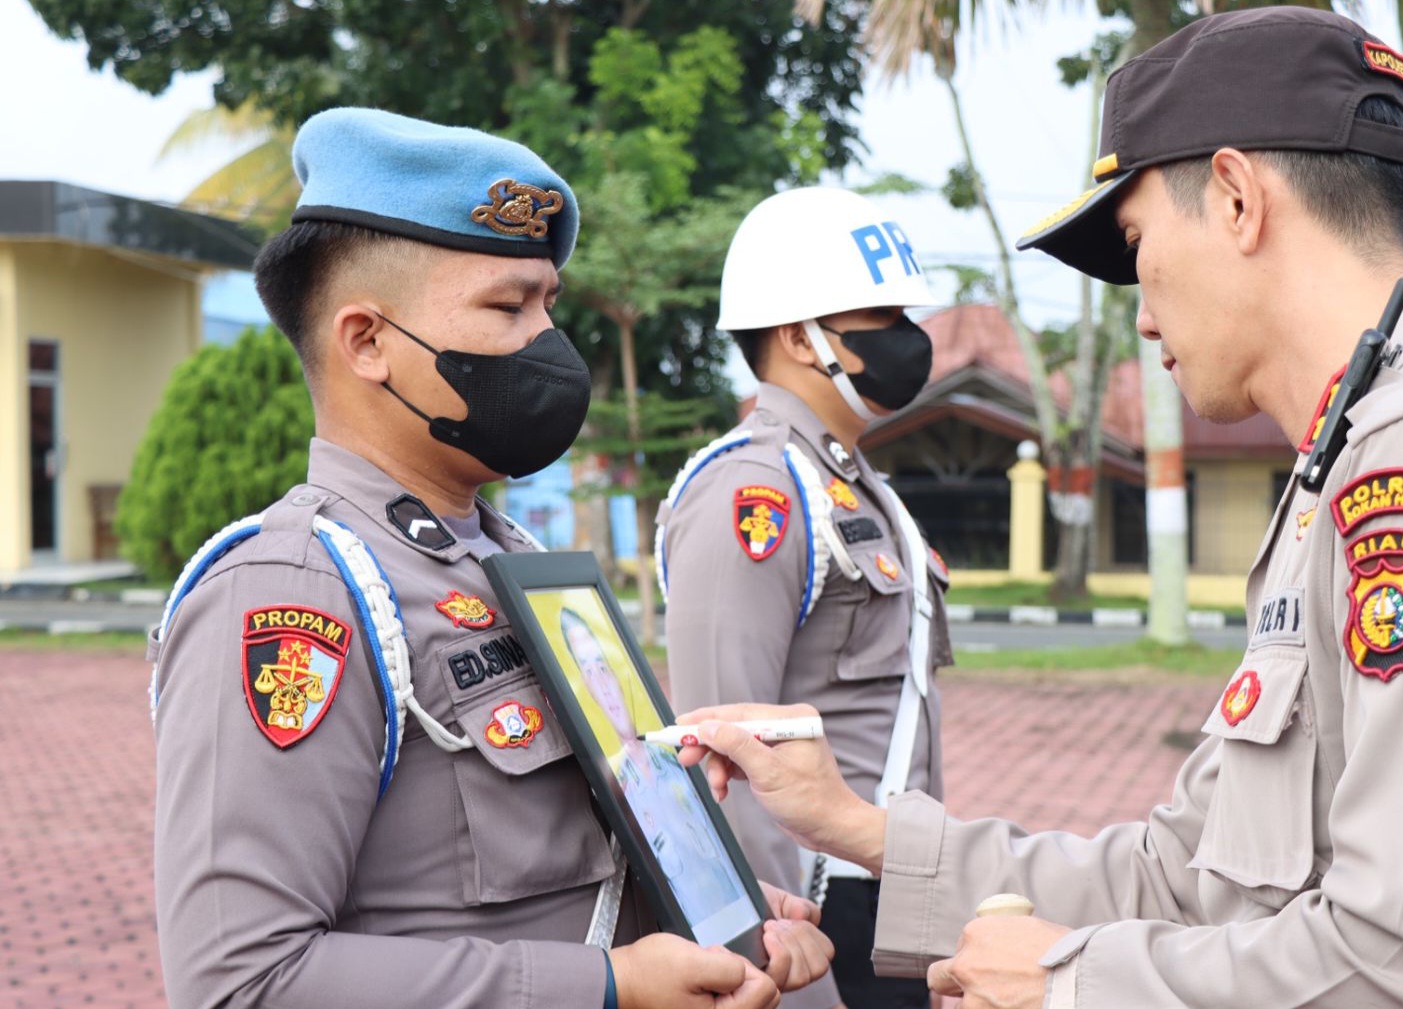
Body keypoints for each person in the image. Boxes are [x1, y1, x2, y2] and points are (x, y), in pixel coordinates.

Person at [673, 7, 1403, 1009]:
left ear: (1238, 199)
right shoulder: (1344, 466)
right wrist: (854, 824)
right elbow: (1187, 872)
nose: (1143, 307)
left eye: (1136, 241)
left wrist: (1070, 982)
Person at [149, 107, 833, 1009]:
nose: (548, 344)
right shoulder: (296, 590)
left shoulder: (516, 560)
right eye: (506, 308)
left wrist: (728, 918)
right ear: (367, 342)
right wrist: (606, 985)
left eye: (548, 304)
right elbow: (241, 979)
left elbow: (568, 872)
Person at [656, 186, 956, 1009]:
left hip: (894, 888)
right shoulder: (752, 493)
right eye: (879, 319)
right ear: (798, 337)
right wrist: (781, 959)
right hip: (817, 910)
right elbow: (723, 759)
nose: (907, 340)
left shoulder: (856, 490)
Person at [558, 606, 750, 931]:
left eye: (604, 666)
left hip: (741, 922)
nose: (603, 683)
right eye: (588, 672)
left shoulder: (675, 761)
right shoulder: (611, 788)